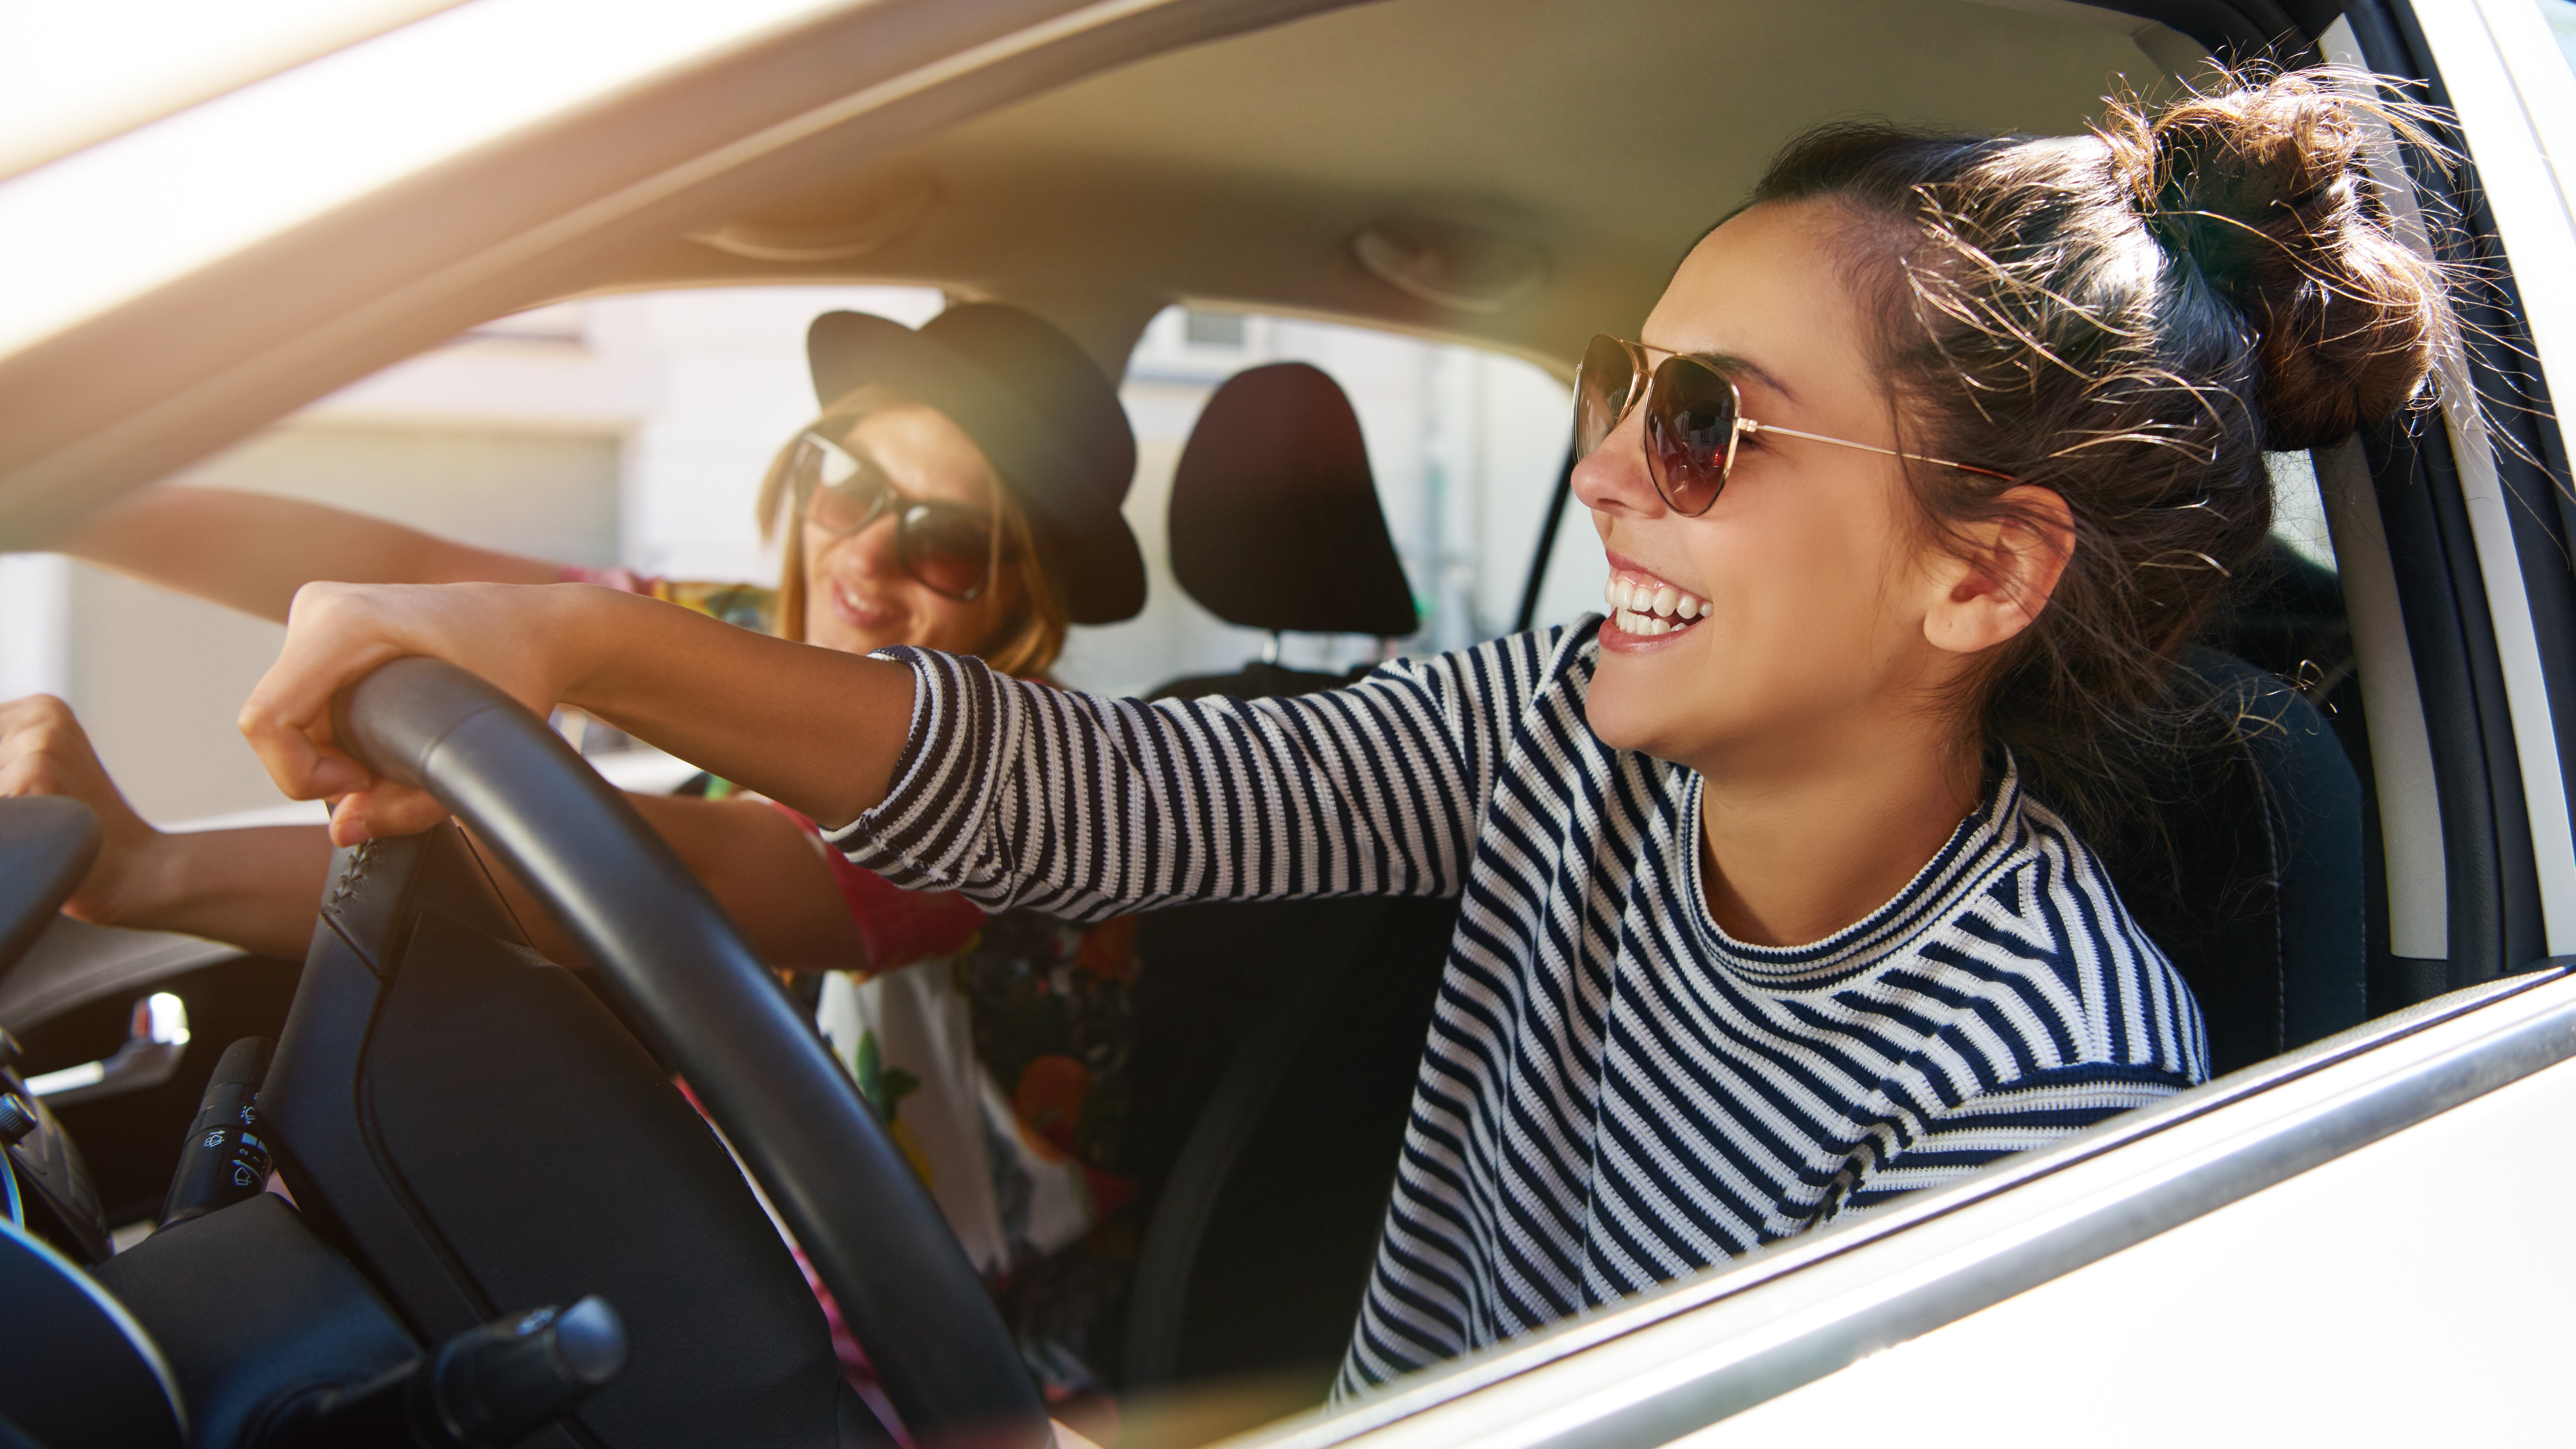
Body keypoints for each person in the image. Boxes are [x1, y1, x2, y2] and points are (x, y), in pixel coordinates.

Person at [231, 69, 2449, 1393]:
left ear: (1980, 573)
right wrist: (568, 639)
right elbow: (1102, 798)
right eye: (1617, 382)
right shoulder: (1559, 734)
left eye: (1705, 421)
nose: (1605, 468)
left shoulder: (2045, 1071)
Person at [11, 303, 1155, 1410]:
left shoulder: (1017, 788)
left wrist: (152, 866)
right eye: (850, 485)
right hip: (732, 1263)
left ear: (1026, 598)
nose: (863, 556)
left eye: (946, 543)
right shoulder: (750, 632)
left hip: (941, 1370)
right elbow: (418, 578)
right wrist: (71, 498)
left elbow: (655, 879)